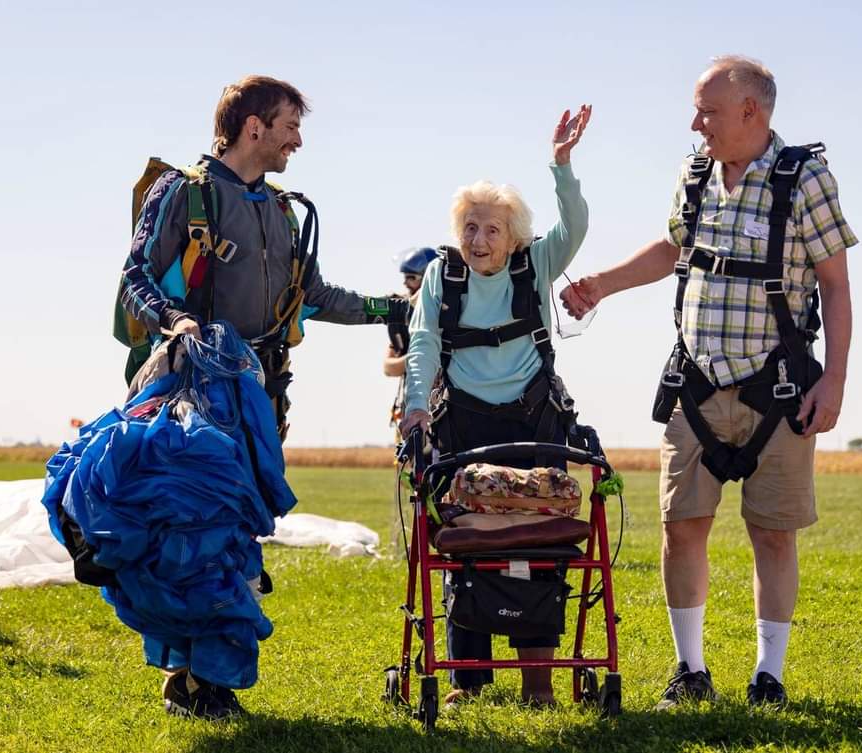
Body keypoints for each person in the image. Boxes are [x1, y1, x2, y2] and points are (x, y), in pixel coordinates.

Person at [562, 56, 856, 710]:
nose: (697, 125)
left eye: (708, 112)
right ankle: (689, 671)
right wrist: (602, 286)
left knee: (773, 531)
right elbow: (674, 250)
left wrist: (833, 380)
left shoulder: (803, 179)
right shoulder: (695, 173)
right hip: (694, 386)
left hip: (778, 391)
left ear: (752, 110)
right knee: (681, 525)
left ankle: (768, 677)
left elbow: (835, 285)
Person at [118, 74, 408, 720]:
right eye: (289, 127)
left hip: (262, 402)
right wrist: (175, 321)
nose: (297, 141)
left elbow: (316, 296)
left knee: (239, 532)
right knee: (199, 533)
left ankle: (201, 676)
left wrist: (393, 306)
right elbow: (134, 275)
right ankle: (196, 679)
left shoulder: (281, 212)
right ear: (254, 126)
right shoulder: (183, 196)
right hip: (190, 397)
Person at [400, 104, 591, 708]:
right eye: (471, 228)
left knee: (537, 541)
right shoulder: (441, 276)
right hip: (462, 422)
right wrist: (414, 407)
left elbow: (576, 227)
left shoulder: (536, 265)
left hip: (533, 420)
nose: (479, 240)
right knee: (469, 545)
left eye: (492, 230)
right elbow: (425, 340)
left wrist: (560, 165)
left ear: (513, 237)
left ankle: (539, 687)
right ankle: (467, 681)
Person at [384, 247, 438, 433]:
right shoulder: (402, 314)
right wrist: (422, 356)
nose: (406, 283)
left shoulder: (446, 312)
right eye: (405, 277)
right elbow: (388, 367)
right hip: (414, 405)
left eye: (412, 277)